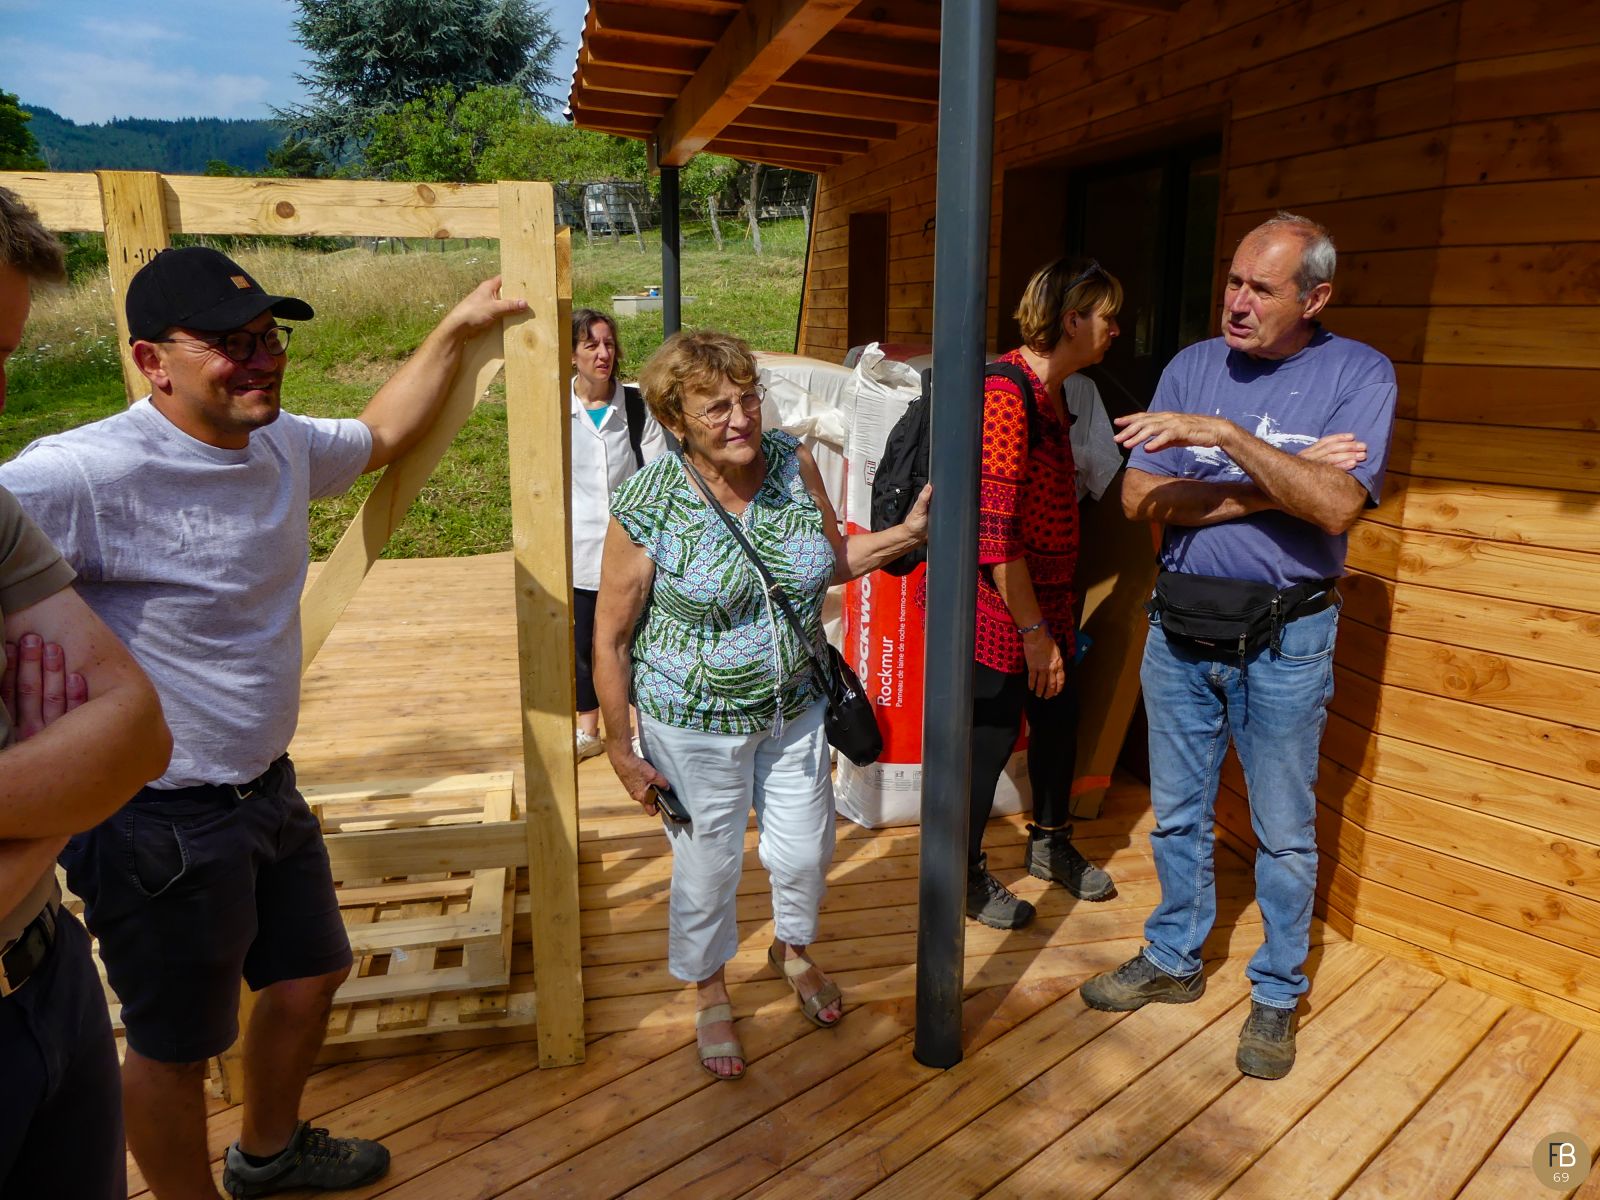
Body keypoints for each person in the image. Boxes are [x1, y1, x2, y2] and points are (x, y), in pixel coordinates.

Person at [0, 243, 525, 1197]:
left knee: (309, 977)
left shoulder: (275, 440)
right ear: (152, 362)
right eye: (230, 344)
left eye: (268, 337)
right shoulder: (80, 474)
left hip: (265, 788)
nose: (261, 359)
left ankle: (266, 1157)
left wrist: (454, 329)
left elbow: (380, 434)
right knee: (176, 1048)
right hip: (156, 823)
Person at [1082, 212, 1395, 1081]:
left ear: (1315, 296)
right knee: (1178, 813)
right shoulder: (1191, 365)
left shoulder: (1357, 373)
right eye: (1233, 281)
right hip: (1180, 627)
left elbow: (1337, 509)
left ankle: (1275, 990)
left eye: (1263, 288)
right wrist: (1276, 487)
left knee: (1283, 831)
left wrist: (1221, 440)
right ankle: (1176, 959)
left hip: (1285, 636)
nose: (1238, 302)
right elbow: (1140, 502)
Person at [593, 331, 930, 1081]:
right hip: (693, 721)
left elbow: (830, 560)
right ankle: (711, 989)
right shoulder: (648, 504)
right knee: (709, 864)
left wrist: (904, 536)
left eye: (749, 397)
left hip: (796, 705)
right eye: (717, 406)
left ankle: (793, 949)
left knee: (806, 849)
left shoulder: (790, 461)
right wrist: (622, 748)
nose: (742, 417)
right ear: (676, 421)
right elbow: (611, 640)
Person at [0, 185, 173, 1200]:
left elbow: (136, 731)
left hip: (49, 977)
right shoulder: (68, 475)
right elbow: (100, 754)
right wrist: (52, 786)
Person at [962, 257, 1125, 931]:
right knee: (990, 738)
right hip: (1000, 607)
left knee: (1060, 721)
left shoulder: (1060, 391)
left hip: (1048, 599)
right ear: (1071, 319)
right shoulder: (1006, 391)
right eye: (1109, 317)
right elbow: (994, 534)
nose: (1117, 330)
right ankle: (961, 873)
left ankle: (1051, 842)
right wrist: (1034, 635)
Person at [568, 307, 667, 762]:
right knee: (586, 640)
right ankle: (589, 729)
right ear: (572, 355)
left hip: (632, 545)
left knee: (639, 637)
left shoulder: (635, 405)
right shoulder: (556, 410)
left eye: (608, 344)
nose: (603, 354)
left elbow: (659, 473)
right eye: (591, 345)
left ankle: (643, 728)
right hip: (578, 547)